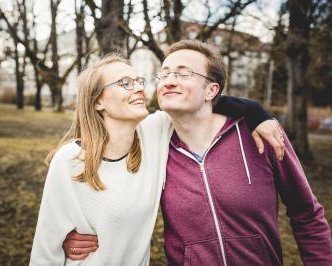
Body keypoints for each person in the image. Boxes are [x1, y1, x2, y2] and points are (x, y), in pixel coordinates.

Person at [63, 40, 332, 265]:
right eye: (165, 73)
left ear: (211, 90)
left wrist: (255, 111)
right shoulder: (153, 146)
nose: (169, 81)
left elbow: (306, 214)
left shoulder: (260, 135)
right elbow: (116, 192)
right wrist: (78, 233)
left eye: (182, 73)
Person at [30, 53, 283, 266]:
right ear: (97, 101)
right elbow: (45, 250)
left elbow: (196, 99)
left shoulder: (155, 133)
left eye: (138, 80)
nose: (139, 87)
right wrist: (64, 240)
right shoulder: (70, 160)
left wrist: (255, 112)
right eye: (125, 83)